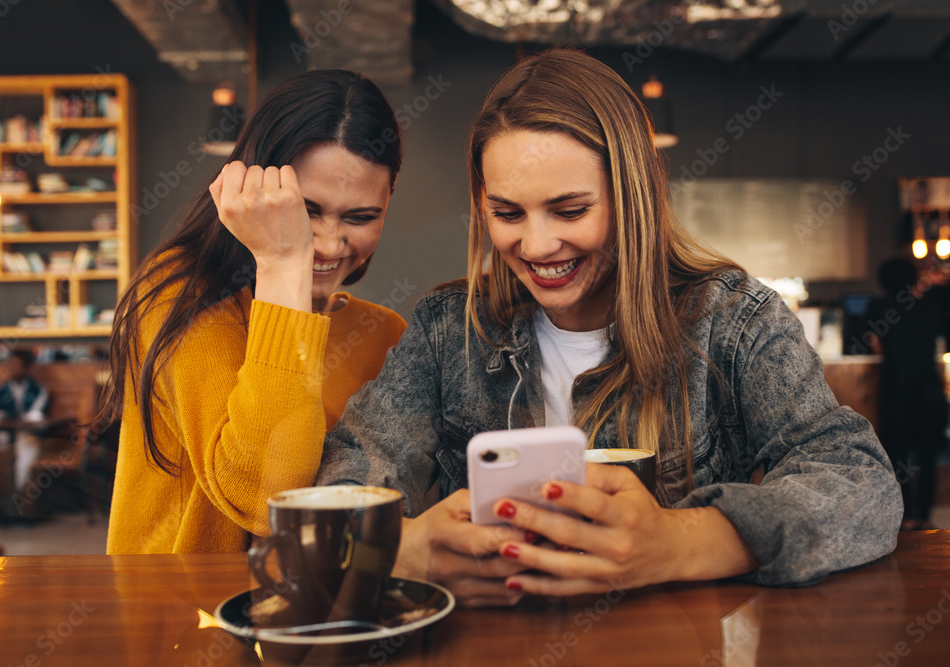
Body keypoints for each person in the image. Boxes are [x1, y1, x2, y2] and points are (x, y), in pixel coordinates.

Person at [317, 49, 902, 606]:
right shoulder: (447, 331)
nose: (538, 245)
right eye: (507, 213)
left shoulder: (736, 322)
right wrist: (404, 550)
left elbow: (861, 485)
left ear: (633, 195)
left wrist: (680, 544)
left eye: (570, 210)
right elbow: (344, 487)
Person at [105, 70, 406, 554]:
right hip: (181, 618)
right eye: (306, 210)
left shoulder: (382, 333)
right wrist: (282, 261)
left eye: (361, 216)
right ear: (250, 190)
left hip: (325, 617)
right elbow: (265, 497)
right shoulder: (179, 296)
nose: (328, 243)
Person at [867, 258, 947, 531]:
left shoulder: (878, 308)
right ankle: (924, 516)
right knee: (927, 456)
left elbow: (877, 347)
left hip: (898, 390)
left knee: (897, 455)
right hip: (929, 389)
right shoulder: (928, 307)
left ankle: (905, 516)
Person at [0, 349, 50, 490]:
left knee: (26, 452)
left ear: (26, 367)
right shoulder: (1, 389)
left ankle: (16, 493)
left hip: (26, 434)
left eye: (17, 365)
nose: (13, 368)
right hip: (3, 434)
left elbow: (37, 414)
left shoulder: (39, 390)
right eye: (11, 364)